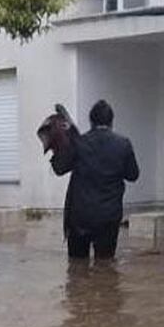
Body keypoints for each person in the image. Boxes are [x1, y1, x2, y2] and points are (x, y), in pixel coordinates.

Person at [51, 100, 139, 260]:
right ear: (111, 122)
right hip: (108, 218)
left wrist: (58, 145)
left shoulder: (79, 143)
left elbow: (59, 169)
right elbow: (133, 175)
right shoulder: (123, 145)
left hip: (79, 217)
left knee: (77, 270)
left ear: (91, 121)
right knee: (105, 270)